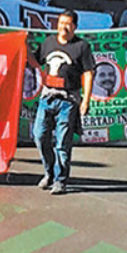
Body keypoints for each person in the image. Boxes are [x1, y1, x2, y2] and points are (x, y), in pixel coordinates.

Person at [28, 10, 95, 195]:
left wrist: (86, 100)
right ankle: (49, 172)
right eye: (60, 22)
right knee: (39, 136)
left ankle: (60, 179)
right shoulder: (49, 42)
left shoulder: (82, 46)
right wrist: (22, 46)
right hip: (47, 98)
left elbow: (88, 73)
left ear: (74, 26)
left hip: (68, 100)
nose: (63, 27)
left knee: (63, 142)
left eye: (67, 24)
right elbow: (35, 62)